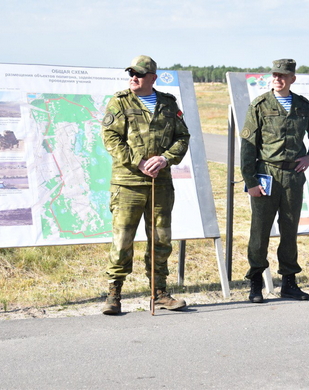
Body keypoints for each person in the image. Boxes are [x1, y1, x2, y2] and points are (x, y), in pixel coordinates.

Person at [101, 55, 190, 315]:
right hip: (128, 183)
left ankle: (159, 293)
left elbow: (182, 136)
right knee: (122, 240)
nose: (133, 78)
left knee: (161, 240)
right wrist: (138, 162)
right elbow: (110, 137)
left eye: (139, 74)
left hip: (160, 183)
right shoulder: (120, 102)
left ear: (153, 78)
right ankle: (114, 293)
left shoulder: (168, 104)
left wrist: (165, 159)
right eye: (131, 73)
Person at [240, 59, 309, 303]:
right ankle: (255, 282)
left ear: (292, 79)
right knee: (260, 230)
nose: (278, 79)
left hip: (293, 177)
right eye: (275, 75)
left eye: (283, 76)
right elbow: (247, 146)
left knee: (289, 229)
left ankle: (289, 282)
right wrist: (251, 180)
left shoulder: (302, 105)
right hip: (266, 174)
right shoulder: (260, 105)